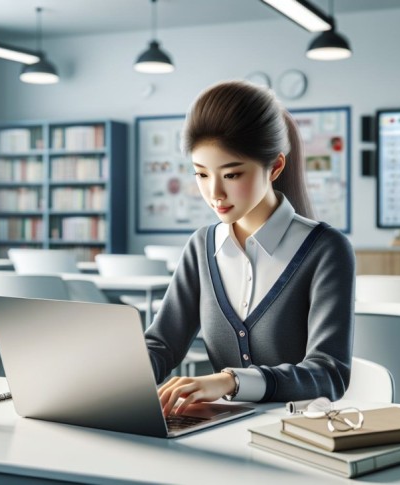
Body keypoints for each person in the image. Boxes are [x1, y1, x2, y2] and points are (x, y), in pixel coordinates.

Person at [145, 80, 355, 416]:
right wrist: (105, 378)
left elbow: (328, 374)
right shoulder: (202, 245)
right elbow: (161, 345)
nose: (214, 192)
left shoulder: (326, 249)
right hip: (219, 434)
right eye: (201, 174)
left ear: (275, 167)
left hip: (299, 437)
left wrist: (232, 381)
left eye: (231, 175)